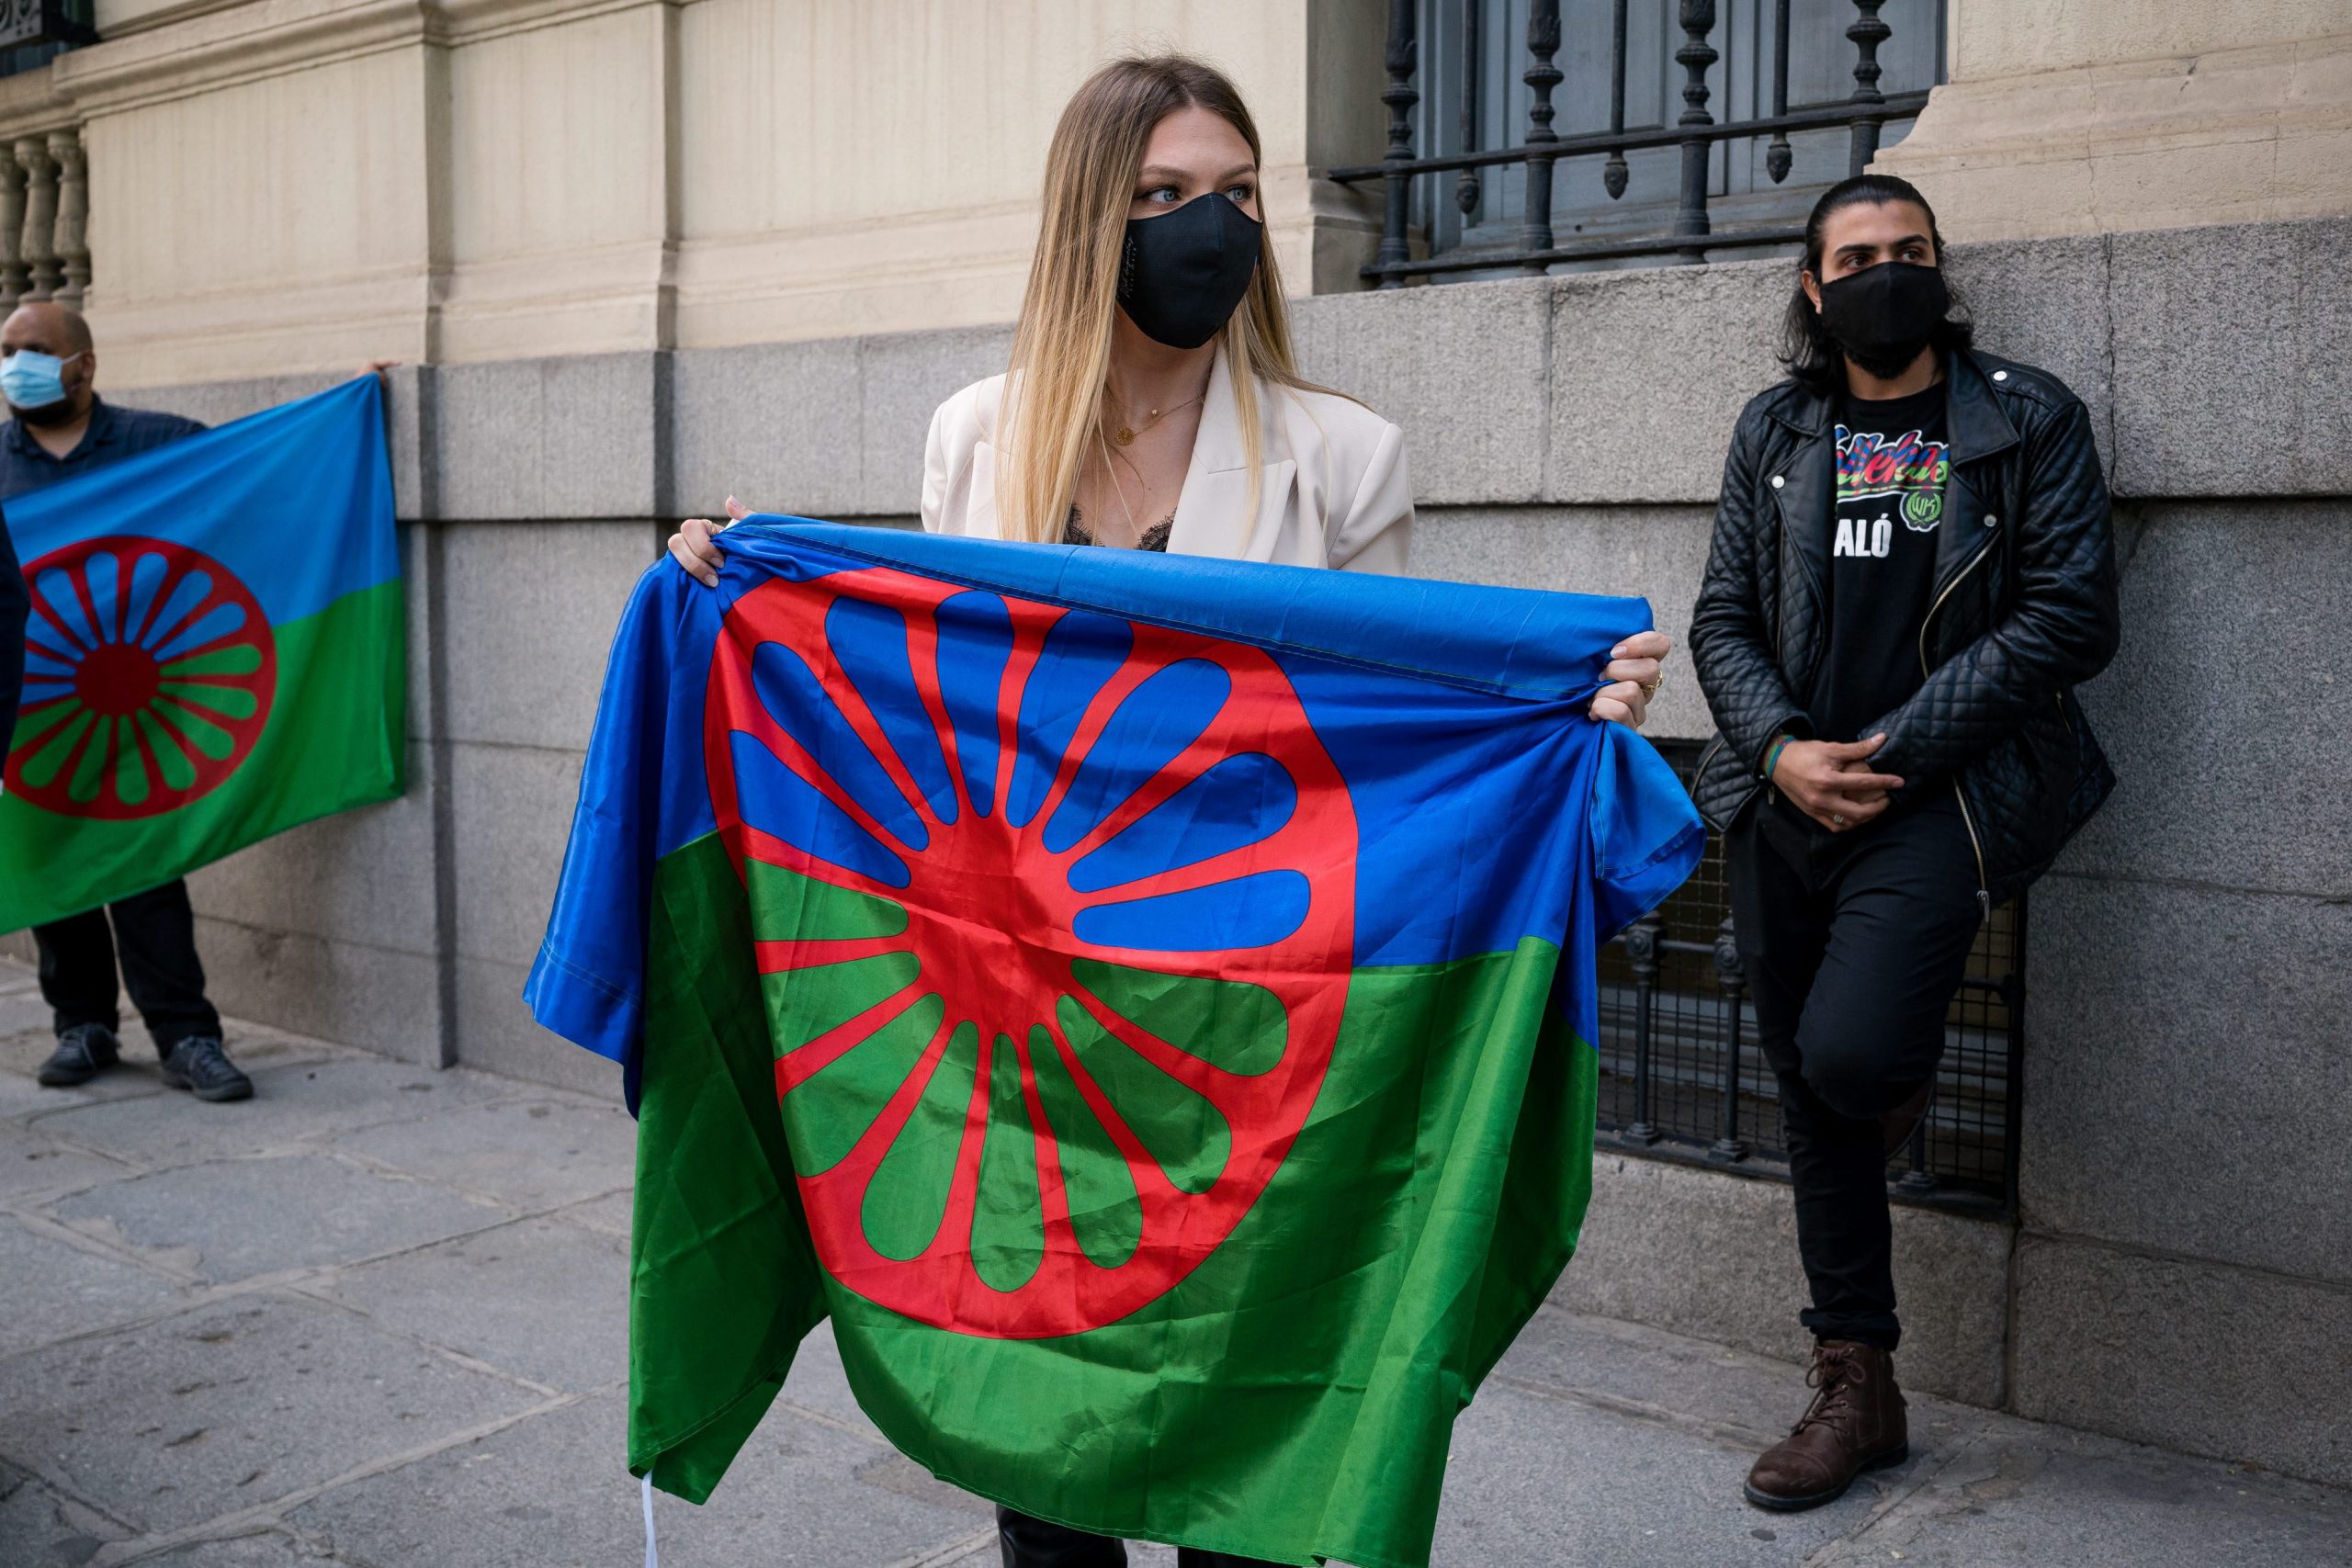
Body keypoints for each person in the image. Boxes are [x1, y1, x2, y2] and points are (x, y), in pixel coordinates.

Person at [668, 52, 1671, 1568]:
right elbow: (940, 708)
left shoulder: (1345, 459)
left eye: (1238, 195)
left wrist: (1563, 708)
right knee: (1045, 1440)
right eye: (1164, 197)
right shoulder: (972, 439)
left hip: (1244, 1025)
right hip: (1031, 1020)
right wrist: (743, 591)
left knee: (1238, 1437)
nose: (1213, 227)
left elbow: (1396, 741)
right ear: (1091, 217)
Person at [1689, 174, 2119, 1512]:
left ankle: (1880, 1086)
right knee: (1816, 1095)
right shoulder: (1777, 429)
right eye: (1858, 256)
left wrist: (1890, 752)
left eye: (1911, 251)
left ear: (1942, 268)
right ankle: (1855, 1379)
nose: (1889, 272)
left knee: (1852, 1056)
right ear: (1816, 288)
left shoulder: (2025, 417)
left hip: (1946, 795)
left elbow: (2069, 614)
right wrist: (1776, 753)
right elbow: (1719, 621)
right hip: (1788, 794)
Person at [1, 300, 254, 1104]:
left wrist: (346, 407)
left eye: (34, 349)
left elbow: (251, 471)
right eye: (6, 350)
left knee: (147, 872)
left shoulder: (153, 445)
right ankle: (82, 1024)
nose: (15, 364)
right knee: (55, 867)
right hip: (35, 711)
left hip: (138, 710)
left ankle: (186, 1034)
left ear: (84, 364)